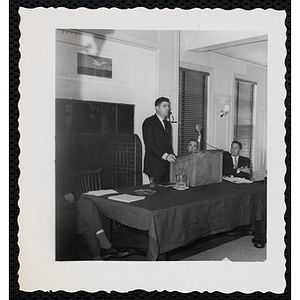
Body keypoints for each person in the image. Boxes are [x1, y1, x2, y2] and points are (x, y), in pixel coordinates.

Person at [56, 191, 130, 260]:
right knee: (88, 218)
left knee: (88, 204)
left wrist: (65, 198)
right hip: (55, 214)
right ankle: (102, 250)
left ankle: (101, 251)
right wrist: (64, 199)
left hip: (63, 207)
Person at [142, 97, 176, 183]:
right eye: (164, 106)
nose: (167, 108)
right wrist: (166, 156)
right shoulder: (149, 122)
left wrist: (173, 156)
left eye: (168, 106)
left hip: (167, 167)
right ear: (157, 108)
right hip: (155, 167)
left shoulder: (168, 124)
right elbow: (150, 146)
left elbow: (169, 145)